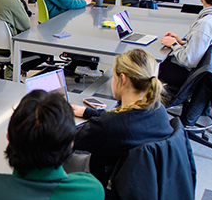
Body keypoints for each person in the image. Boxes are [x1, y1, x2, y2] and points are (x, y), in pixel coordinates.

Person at [71, 49, 173, 181]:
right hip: (140, 179)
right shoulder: (159, 110)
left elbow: (67, 139)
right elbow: (123, 119)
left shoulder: (109, 125)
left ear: (123, 79)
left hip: (103, 177)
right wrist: (89, 112)